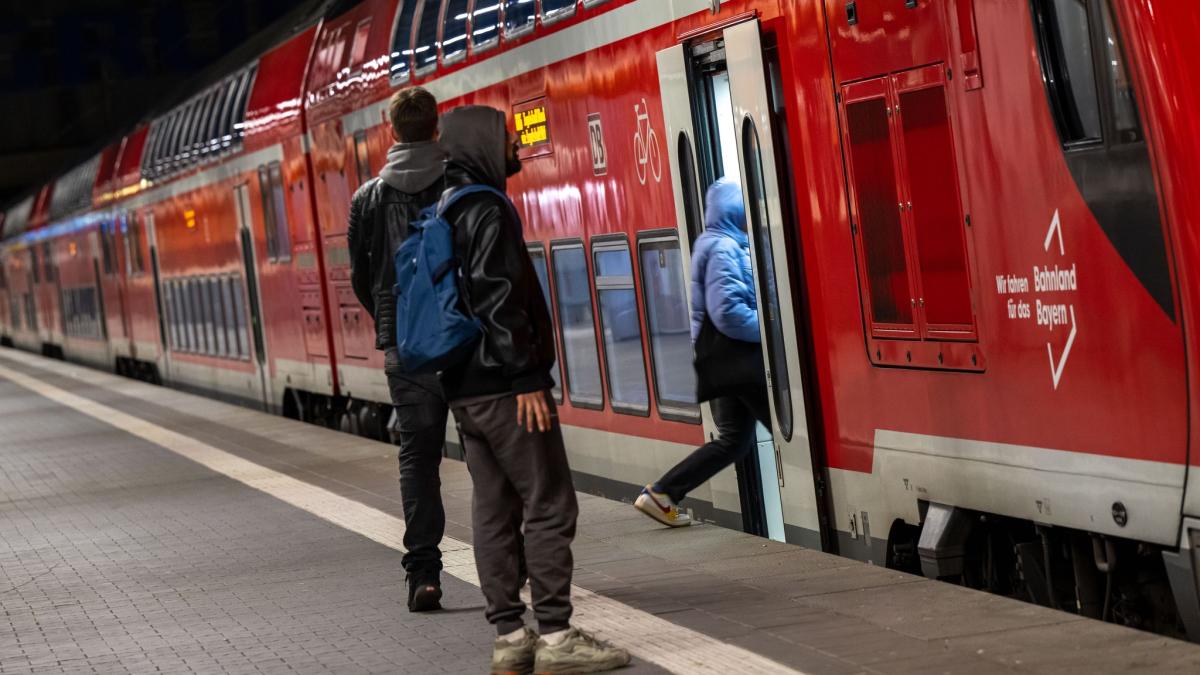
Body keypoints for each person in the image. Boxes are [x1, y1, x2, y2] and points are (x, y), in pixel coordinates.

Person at [437, 105, 631, 675]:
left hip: (464, 389)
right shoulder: (486, 210)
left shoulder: (443, 207)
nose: (516, 151)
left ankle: (509, 638)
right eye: (508, 141)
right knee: (549, 503)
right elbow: (497, 296)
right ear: (480, 146)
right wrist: (526, 378)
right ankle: (556, 636)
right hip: (504, 386)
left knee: (492, 509)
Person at [347, 86, 449, 612]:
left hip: (405, 349)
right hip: (466, 342)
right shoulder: (463, 181)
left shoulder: (367, 198)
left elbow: (362, 279)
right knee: (487, 454)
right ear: (437, 127)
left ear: (392, 132)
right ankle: (513, 561)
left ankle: (424, 576)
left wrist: (393, 321)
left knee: (418, 456)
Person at [634, 178, 770, 527]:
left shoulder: (716, 242)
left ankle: (662, 494)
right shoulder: (725, 247)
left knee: (734, 442)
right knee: (793, 428)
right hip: (740, 361)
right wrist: (770, 329)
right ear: (736, 209)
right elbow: (726, 312)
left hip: (725, 365)